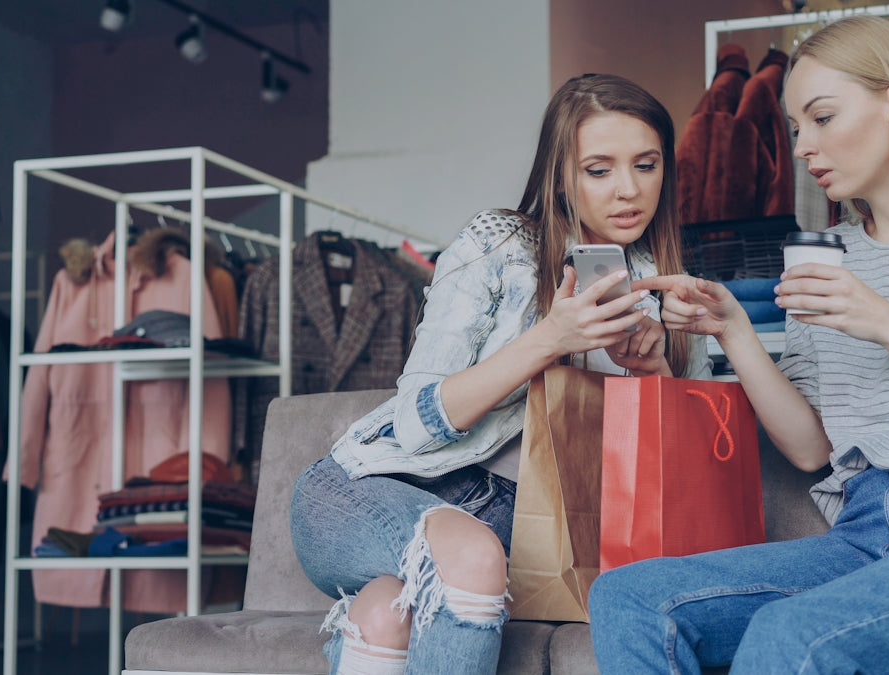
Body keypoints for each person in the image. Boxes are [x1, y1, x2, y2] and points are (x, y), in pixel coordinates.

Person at [588, 16, 889, 674]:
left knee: (791, 636)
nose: (803, 147)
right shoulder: (832, 257)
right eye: (798, 128)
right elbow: (810, 448)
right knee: (628, 598)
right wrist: (735, 330)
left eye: (822, 118)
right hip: (868, 527)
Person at [290, 73, 713, 675]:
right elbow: (413, 422)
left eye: (646, 165)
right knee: (467, 557)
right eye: (599, 170)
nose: (628, 190)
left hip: (514, 526)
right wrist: (550, 339)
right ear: (560, 175)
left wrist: (652, 372)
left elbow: (684, 480)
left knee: (388, 611)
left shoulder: (667, 288)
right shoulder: (501, 246)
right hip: (367, 490)